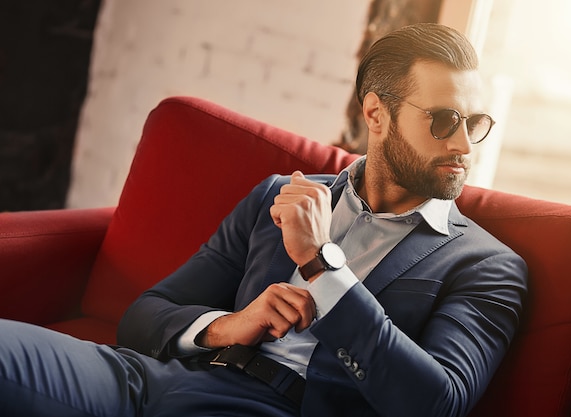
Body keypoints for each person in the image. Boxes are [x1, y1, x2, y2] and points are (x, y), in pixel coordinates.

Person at [0, 23, 527, 417]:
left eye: (474, 122)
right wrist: (231, 325)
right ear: (376, 115)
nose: (463, 144)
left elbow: (436, 403)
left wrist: (322, 265)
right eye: (443, 120)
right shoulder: (281, 195)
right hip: (149, 381)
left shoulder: (486, 266)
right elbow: (145, 315)